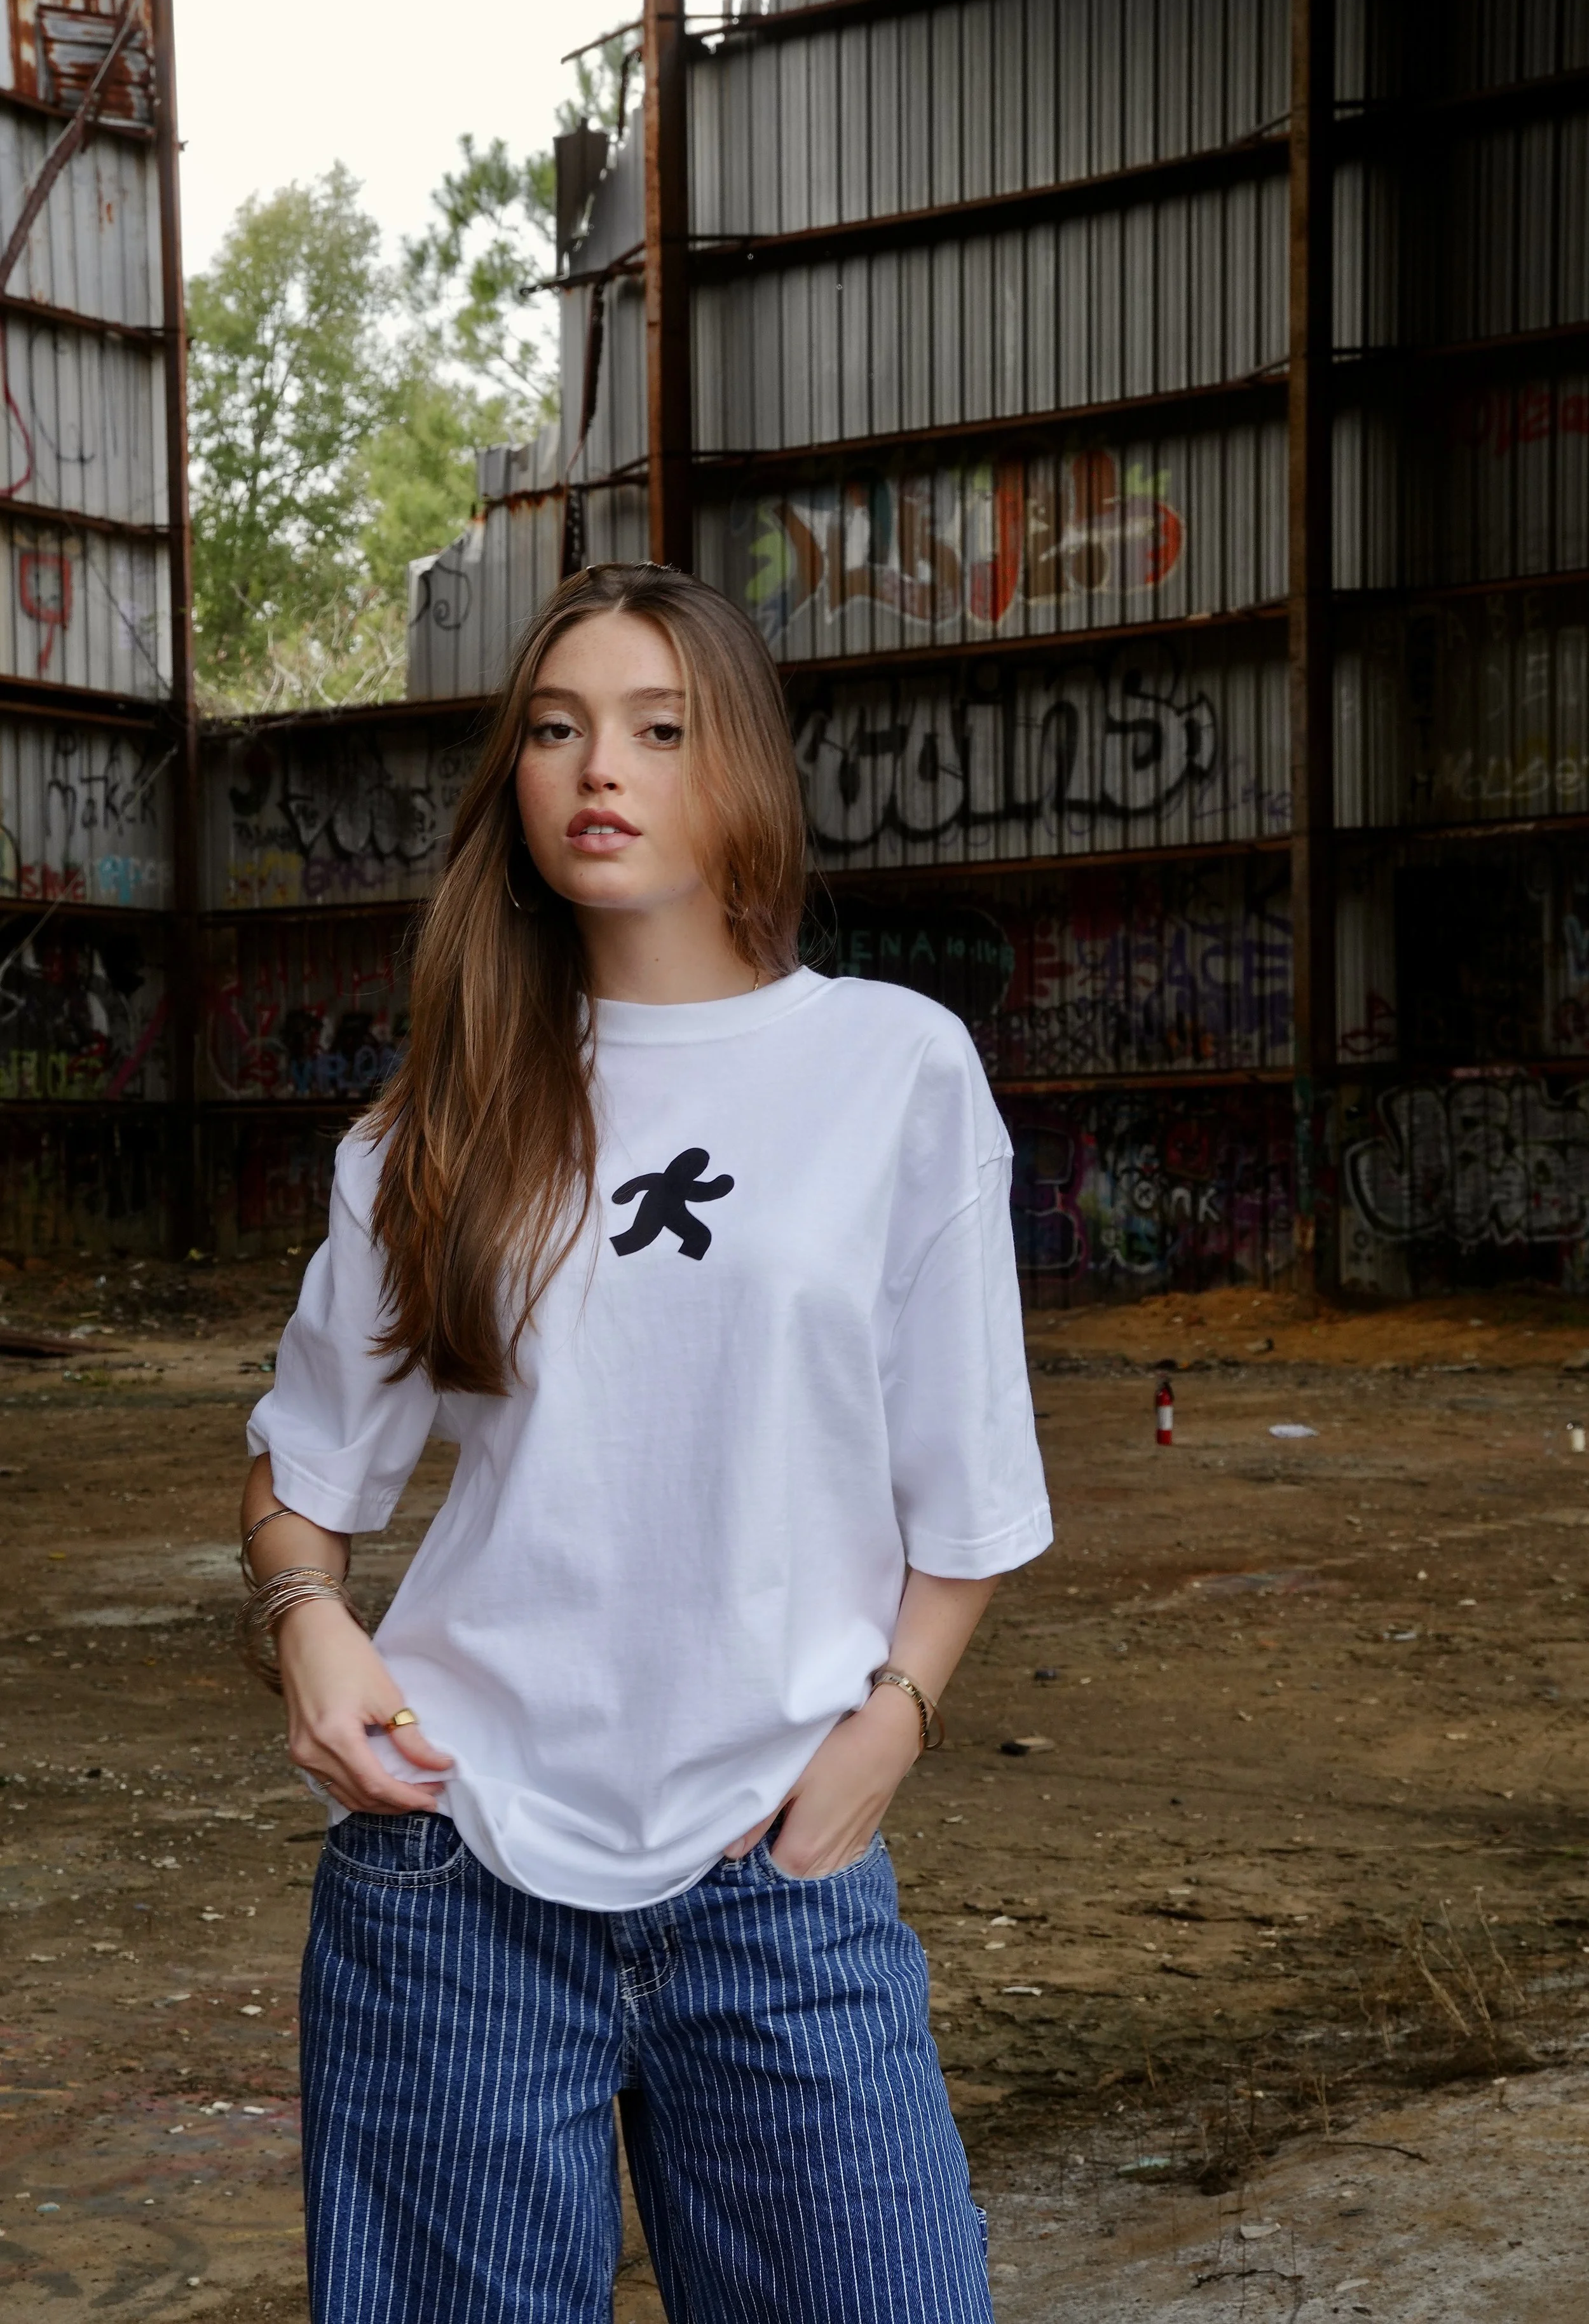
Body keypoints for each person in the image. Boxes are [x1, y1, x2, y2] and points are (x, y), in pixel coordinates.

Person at [238, 562, 1051, 2324]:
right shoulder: (439, 1119)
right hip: (452, 1871)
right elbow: (308, 1475)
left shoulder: (895, 1070)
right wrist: (310, 1625)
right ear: (516, 781)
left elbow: (970, 1487)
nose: (598, 767)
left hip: (778, 1875)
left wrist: (891, 1725)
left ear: (738, 762)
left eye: (658, 728)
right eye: (555, 729)